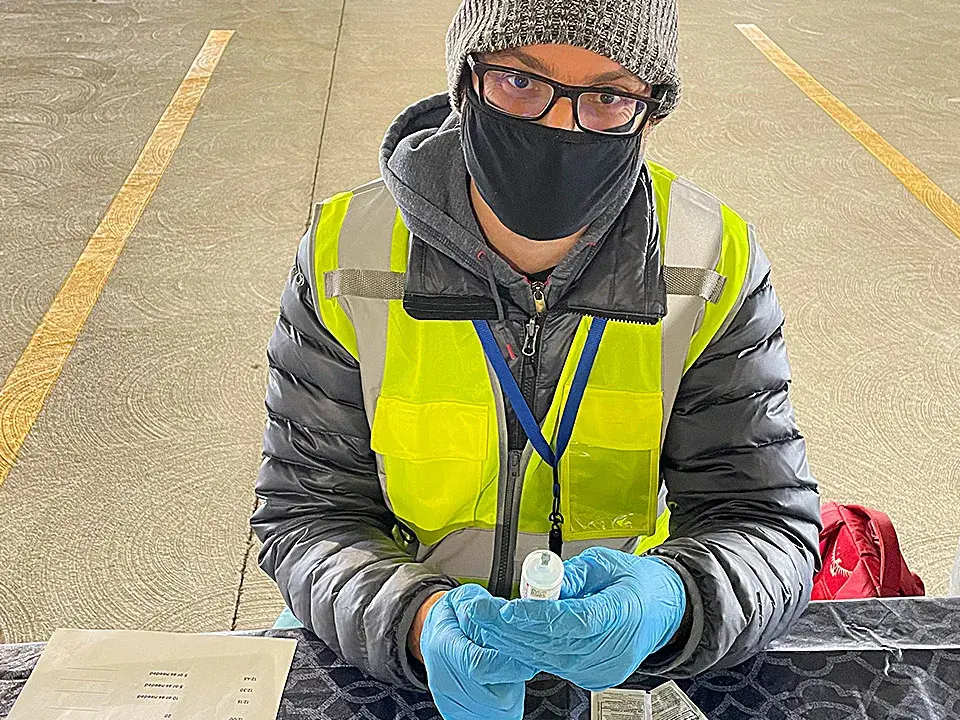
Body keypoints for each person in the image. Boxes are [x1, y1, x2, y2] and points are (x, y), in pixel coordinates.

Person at [251, 0, 821, 717]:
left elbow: (765, 520)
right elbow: (308, 511)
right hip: (399, 649)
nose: (560, 128)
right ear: (466, 80)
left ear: (653, 109)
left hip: (615, 659)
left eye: (610, 96)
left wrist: (673, 599)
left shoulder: (709, 261)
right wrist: (418, 621)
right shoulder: (350, 252)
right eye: (521, 81)